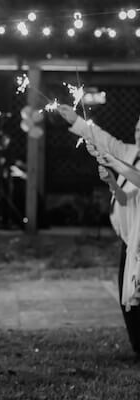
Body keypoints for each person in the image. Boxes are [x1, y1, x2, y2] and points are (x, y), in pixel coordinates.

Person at [58, 104, 140, 358]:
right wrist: (76, 121)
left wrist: (114, 163)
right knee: (128, 295)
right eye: (138, 129)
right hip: (129, 239)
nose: (139, 134)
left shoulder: (128, 160)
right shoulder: (132, 152)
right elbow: (105, 141)